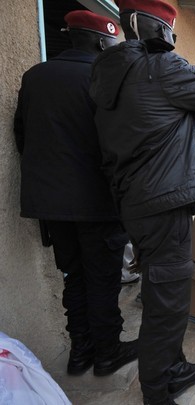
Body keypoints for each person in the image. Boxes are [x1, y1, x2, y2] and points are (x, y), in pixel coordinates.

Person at [89, 1, 195, 403]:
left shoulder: (111, 73)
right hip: (165, 203)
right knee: (168, 300)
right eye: (172, 34)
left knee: (162, 290)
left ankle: (171, 364)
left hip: (136, 202)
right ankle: (159, 387)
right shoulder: (164, 68)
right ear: (162, 31)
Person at [13, 10, 137, 378]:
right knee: (103, 279)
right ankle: (108, 351)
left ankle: (80, 352)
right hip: (97, 203)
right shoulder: (104, 78)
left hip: (52, 204)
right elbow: (118, 145)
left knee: (74, 276)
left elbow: (22, 135)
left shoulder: (35, 76)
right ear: (102, 42)